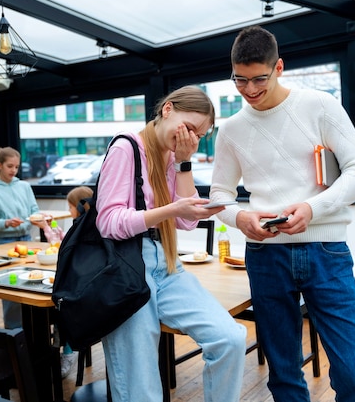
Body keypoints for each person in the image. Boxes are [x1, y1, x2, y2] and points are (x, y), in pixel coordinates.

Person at [209, 25, 355, 401]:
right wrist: (240, 218)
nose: (249, 90)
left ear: (279, 67)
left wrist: (312, 208)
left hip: (327, 252)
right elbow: (219, 194)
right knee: (283, 376)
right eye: (239, 80)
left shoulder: (319, 105)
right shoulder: (232, 130)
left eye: (259, 79)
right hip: (265, 256)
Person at [95, 85, 247, 402]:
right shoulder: (127, 148)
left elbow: (187, 221)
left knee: (230, 338)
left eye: (199, 135)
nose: (191, 138)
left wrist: (183, 162)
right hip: (129, 271)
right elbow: (108, 222)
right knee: (142, 388)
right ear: (168, 109)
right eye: (189, 128)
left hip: (167, 266)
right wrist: (172, 209)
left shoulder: (173, 157)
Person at [30, 185, 93, 377]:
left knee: (60, 307)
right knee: (56, 304)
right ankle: (51, 351)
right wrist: (49, 227)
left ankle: (67, 351)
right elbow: (60, 241)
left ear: (81, 207)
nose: (68, 210)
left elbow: (61, 245)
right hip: (76, 284)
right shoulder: (81, 226)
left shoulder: (87, 230)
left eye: (70, 206)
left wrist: (49, 230)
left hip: (83, 292)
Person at [0, 147, 41, 330]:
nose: (13, 170)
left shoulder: (24, 186)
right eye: (9, 166)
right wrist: (6, 223)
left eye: (16, 167)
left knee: (32, 285)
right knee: (11, 291)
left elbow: (35, 211)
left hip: (27, 241)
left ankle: (34, 331)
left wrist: (36, 219)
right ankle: (14, 334)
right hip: (4, 244)